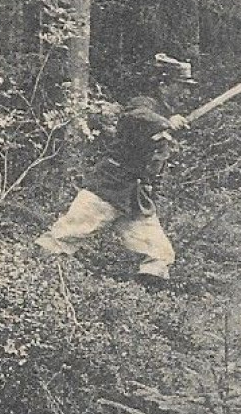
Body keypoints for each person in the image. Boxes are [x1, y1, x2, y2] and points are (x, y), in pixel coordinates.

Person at [34, 53, 196, 285]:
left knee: (159, 256)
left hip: (136, 200)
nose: (186, 94)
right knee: (62, 238)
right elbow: (134, 117)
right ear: (164, 85)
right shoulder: (144, 106)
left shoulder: (164, 113)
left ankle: (141, 309)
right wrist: (165, 123)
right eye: (181, 87)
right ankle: (31, 282)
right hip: (108, 188)